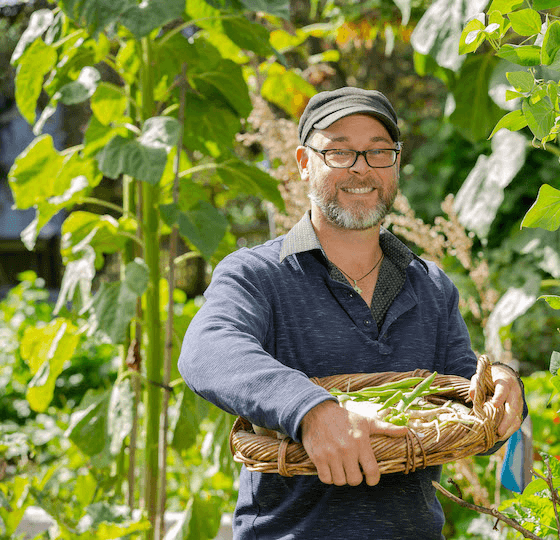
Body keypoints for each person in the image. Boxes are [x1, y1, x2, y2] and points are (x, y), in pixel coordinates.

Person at [178, 87, 526, 539]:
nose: (362, 167)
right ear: (305, 163)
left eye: (379, 151)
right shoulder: (258, 275)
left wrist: (503, 386)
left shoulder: (431, 286)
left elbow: (464, 400)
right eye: (339, 151)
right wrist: (313, 411)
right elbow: (207, 349)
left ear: (396, 163)